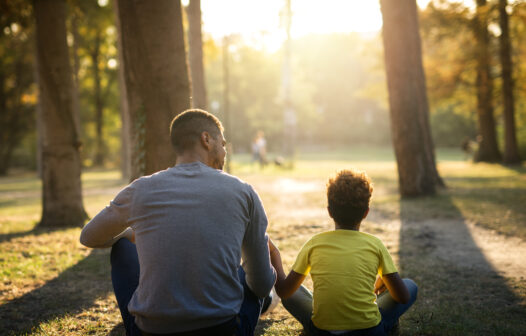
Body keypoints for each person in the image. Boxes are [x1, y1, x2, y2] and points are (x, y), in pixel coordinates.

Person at [80, 109, 277, 336]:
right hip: (224, 330)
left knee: (122, 247)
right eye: (223, 144)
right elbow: (261, 285)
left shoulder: (141, 189)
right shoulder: (243, 191)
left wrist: (126, 234)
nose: (225, 152)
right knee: (248, 273)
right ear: (206, 139)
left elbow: (89, 236)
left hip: (151, 332)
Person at [268, 169, 418, 336]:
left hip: (322, 332)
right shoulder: (375, 245)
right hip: (369, 332)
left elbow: (284, 292)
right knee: (411, 285)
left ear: (329, 211)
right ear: (366, 212)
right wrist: (385, 278)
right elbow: (403, 297)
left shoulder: (314, 244)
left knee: (294, 292)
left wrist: (274, 253)